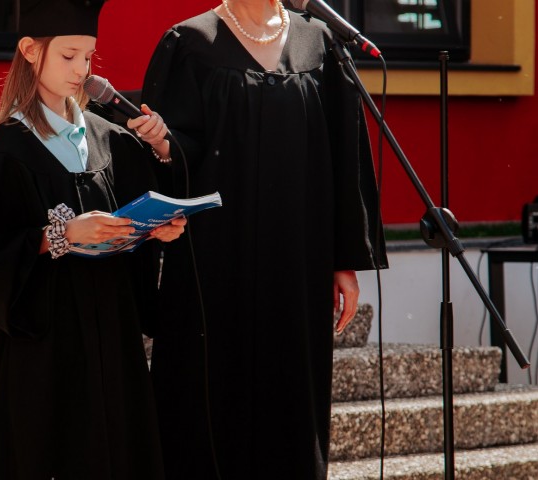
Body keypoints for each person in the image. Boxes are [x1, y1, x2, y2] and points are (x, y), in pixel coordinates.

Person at [139, 1, 388, 479]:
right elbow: (172, 156)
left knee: (292, 391)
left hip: (298, 257)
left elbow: (343, 156)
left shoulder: (319, 42)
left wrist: (344, 259)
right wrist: (164, 146)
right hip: (212, 259)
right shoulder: (191, 43)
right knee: (209, 396)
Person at [0, 0, 184, 478]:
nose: (83, 70)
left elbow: (141, 213)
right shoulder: (3, 153)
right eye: (69, 56)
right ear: (30, 51)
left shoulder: (111, 139)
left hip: (114, 340)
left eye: (89, 57)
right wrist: (59, 235)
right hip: (48, 348)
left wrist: (155, 228)